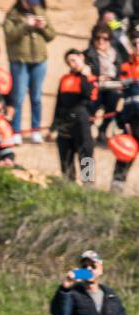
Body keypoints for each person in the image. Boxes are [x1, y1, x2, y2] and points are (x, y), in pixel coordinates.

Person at [5, 0, 56, 144]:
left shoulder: (40, 11)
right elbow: (9, 36)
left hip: (39, 61)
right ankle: (15, 131)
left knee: (36, 98)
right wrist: (25, 25)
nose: (33, 4)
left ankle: (35, 130)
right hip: (20, 62)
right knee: (18, 98)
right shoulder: (12, 15)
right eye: (30, 1)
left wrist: (43, 27)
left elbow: (51, 35)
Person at [49, 49, 101, 182]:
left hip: (82, 123)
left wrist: (84, 77)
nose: (72, 64)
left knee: (86, 156)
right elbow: (59, 104)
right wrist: (53, 126)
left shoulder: (91, 79)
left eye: (74, 60)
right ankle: (69, 186)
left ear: (81, 57)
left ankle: (88, 185)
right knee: (66, 159)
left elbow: (91, 100)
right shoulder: (64, 79)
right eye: (69, 62)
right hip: (65, 123)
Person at [110, 25, 139, 191]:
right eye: (135, 43)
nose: (137, 46)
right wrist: (122, 120)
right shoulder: (126, 67)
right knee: (123, 158)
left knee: (86, 150)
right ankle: (87, 186)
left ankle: (86, 182)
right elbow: (122, 97)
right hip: (131, 122)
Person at [85, 25, 123, 134]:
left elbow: (120, 72)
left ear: (109, 40)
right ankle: (87, 128)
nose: (101, 41)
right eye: (98, 38)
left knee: (114, 100)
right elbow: (84, 75)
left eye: (105, 38)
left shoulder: (116, 54)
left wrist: (113, 79)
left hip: (112, 87)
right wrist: (97, 78)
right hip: (94, 87)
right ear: (93, 39)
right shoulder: (88, 54)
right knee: (92, 103)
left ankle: (103, 129)